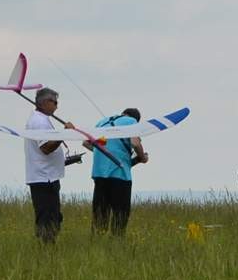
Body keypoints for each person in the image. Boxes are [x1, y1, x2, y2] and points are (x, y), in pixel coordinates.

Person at [23, 87, 83, 244]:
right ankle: (46, 249)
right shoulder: (39, 122)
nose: (57, 106)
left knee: (54, 216)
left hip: (48, 176)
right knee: (47, 218)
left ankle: (48, 246)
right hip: (44, 178)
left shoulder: (42, 119)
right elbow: (45, 148)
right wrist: (64, 134)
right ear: (44, 102)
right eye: (54, 102)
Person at [85, 107, 147, 236]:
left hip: (99, 174)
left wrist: (107, 153)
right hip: (120, 176)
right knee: (120, 214)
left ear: (123, 113)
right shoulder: (131, 122)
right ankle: (117, 240)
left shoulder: (103, 122)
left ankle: (97, 240)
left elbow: (87, 143)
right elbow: (135, 143)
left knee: (100, 214)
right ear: (136, 119)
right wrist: (142, 157)